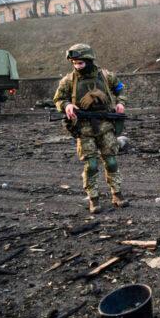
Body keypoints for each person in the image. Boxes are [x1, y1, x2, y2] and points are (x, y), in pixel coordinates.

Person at [53, 43, 129, 214]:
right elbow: (58, 99)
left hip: (105, 125)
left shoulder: (105, 76)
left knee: (111, 161)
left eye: (80, 62)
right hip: (83, 128)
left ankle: (117, 194)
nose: (77, 66)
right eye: (74, 63)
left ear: (89, 60)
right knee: (92, 165)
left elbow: (121, 90)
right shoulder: (68, 81)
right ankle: (93, 199)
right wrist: (66, 106)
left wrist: (121, 103)